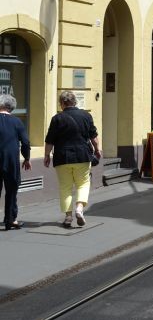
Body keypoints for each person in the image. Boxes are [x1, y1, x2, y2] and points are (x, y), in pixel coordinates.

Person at [44, 91, 101, 228]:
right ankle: (79, 208)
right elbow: (93, 136)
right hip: (82, 156)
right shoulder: (86, 116)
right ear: (75, 102)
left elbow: (50, 140)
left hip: (62, 157)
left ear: (62, 103)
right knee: (83, 183)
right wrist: (97, 150)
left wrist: (46, 155)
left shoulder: (57, 118)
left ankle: (68, 217)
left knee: (65, 186)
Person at [0, 94, 31, 230]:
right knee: (12, 190)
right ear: (10, 107)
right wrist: (27, 158)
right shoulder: (17, 122)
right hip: (11, 161)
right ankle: (10, 220)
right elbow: (25, 142)